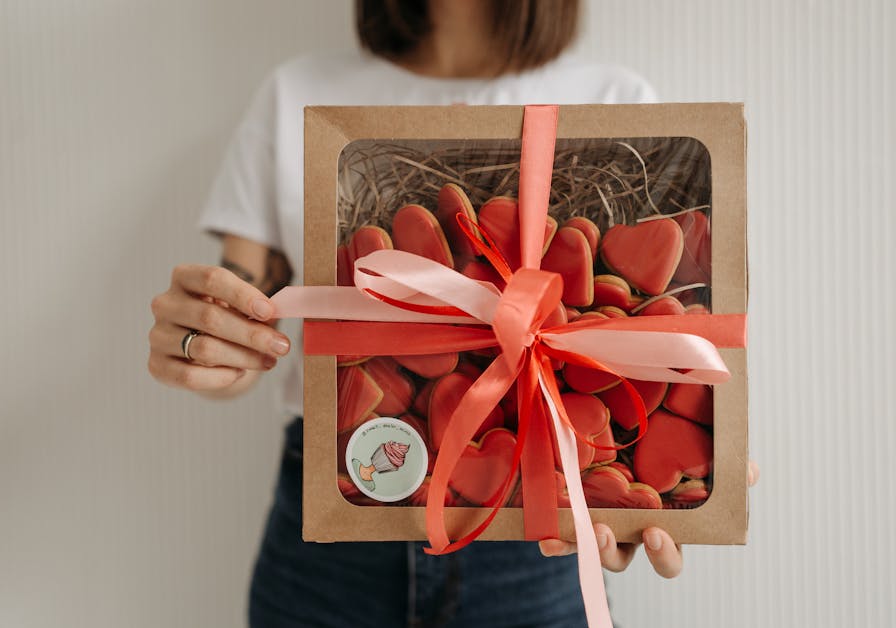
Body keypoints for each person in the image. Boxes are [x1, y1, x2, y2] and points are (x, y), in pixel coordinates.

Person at [148, 1, 758, 625]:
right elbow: (250, 316)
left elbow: (665, 338)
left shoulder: (615, 100)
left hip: (533, 539)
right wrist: (205, 342)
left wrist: (672, 482)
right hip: (335, 518)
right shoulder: (296, 92)